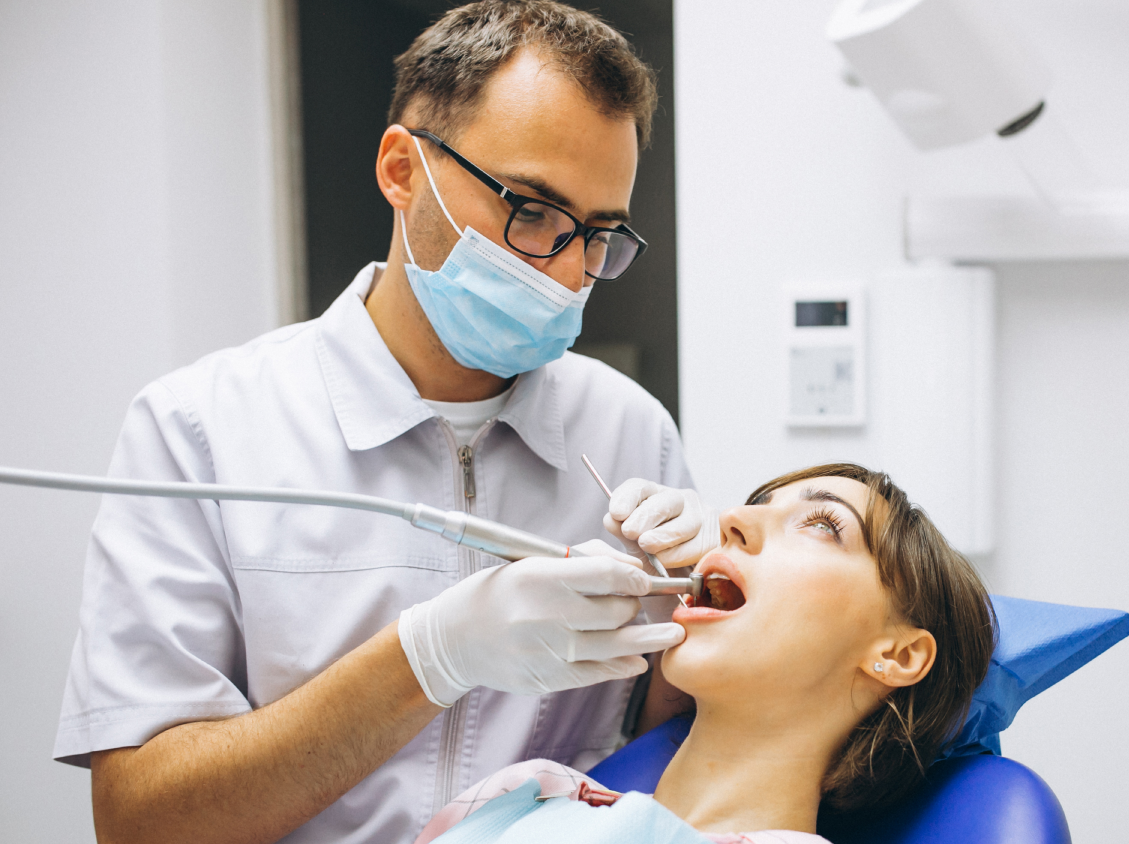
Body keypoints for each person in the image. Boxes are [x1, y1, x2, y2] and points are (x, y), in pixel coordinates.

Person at [55, 4, 719, 843]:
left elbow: (673, 745)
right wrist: (429, 656)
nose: (566, 271)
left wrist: (703, 599)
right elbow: (142, 820)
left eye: (598, 235)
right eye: (533, 210)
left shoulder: (630, 430)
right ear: (403, 170)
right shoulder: (199, 431)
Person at [411, 463, 998, 843]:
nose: (733, 520)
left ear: (896, 656)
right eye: (755, 502)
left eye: (822, 525)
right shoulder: (530, 793)